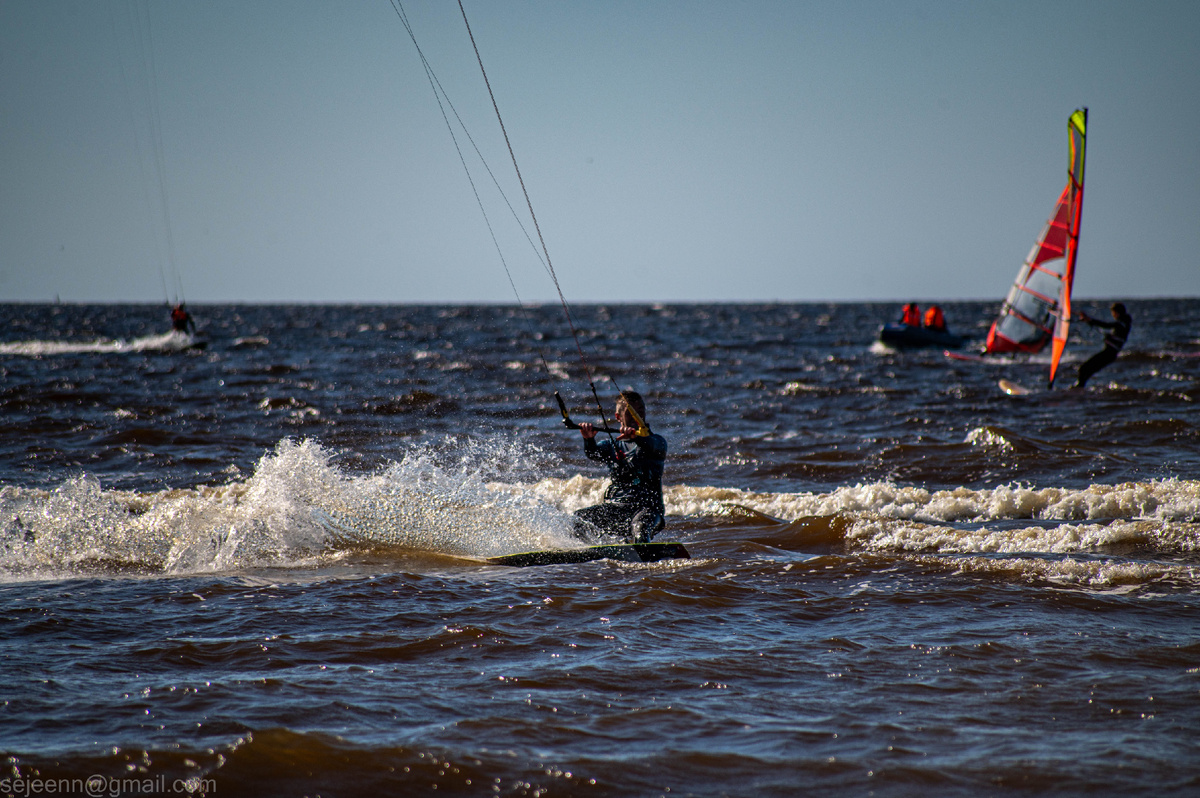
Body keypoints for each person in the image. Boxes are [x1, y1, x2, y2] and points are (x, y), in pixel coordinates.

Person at [574, 391, 667, 544]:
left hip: (647, 511)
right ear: (618, 417)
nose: (637, 416)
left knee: (640, 529)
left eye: (640, 411)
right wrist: (588, 439)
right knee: (578, 519)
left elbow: (651, 445)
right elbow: (593, 453)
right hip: (616, 508)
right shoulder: (611, 445)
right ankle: (589, 554)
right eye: (631, 413)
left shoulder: (657, 442)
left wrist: (636, 437)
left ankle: (643, 558)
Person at [1075, 302, 1132, 387]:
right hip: (1109, 354)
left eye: (1113, 313)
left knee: (1083, 369)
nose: (1113, 315)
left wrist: (1090, 319)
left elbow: (1106, 325)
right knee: (1086, 372)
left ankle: (1078, 389)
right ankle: (1079, 388)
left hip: (1109, 354)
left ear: (1116, 312)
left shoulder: (1122, 324)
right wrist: (1088, 321)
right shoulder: (1123, 324)